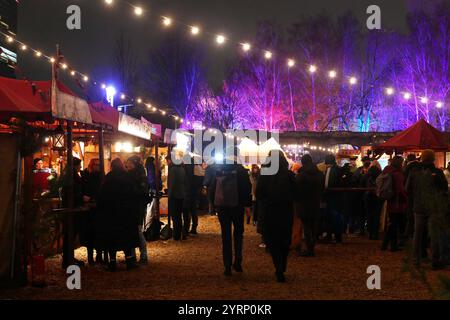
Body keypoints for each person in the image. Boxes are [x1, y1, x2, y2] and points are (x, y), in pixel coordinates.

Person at [211, 150, 252, 277]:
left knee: (226, 235)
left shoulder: (219, 169)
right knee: (238, 234)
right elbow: (247, 188)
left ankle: (227, 265)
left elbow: (212, 188)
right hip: (237, 206)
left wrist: (214, 205)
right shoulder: (241, 171)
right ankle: (238, 262)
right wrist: (247, 205)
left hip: (222, 207)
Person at [257, 151, 296, 282]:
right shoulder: (290, 175)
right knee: (284, 240)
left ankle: (278, 266)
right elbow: (296, 193)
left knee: (273, 241)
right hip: (286, 212)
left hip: (270, 212)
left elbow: (258, 194)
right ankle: (282, 265)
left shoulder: (265, 175)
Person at [96, 158, 140, 271]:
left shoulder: (108, 178)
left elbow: (101, 195)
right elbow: (134, 194)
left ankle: (112, 262)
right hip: (126, 212)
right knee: (127, 237)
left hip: (111, 213)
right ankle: (129, 260)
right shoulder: (127, 177)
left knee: (112, 238)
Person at [408, 150, 449, 269]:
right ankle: (435, 261)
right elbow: (444, 189)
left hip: (418, 207)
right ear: (433, 159)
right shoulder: (438, 172)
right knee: (434, 233)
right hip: (434, 207)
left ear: (422, 158)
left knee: (418, 233)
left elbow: (407, 188)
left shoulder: (414, 172)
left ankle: (416, 260)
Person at [295, 154, 324, 257]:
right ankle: (312, 247)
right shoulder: (320, 174)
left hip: (304, 204)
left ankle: (309, 248)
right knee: (313, 226)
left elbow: (296, 190)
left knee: (306, 226)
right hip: (315, 203)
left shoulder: (301, 175)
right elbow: (322, 189)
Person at [80, 159, 106, 265]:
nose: (98, 167)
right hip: (90, 209)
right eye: (96, 165)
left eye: (99, 165)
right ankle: (91, 257)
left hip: (98, 209)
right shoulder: (86, 177)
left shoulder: (101, 177)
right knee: (90, 234)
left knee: (98, 233)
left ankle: (99, 255)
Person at [126, 156, 150, 264]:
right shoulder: (135, 175)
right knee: (133, 230)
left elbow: (143, 192)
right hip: (133, 206)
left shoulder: (139, 176)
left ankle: (143, 255)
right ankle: (132, 256)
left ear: (134, 164)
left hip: (137, 206)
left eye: (130, 163)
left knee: (137, 231)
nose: (128, 165)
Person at [381, 156, 407, 252]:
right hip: (397, 201)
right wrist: (406, 198)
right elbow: (400, 189)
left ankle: (385, 244)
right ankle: (393, 246)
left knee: (392, 223)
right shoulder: (398, 174)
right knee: (394, 224)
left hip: (390, 200)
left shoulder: (387, 171)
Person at [323, 154, 344, 243]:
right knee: (337, 218)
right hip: (338, 198)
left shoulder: (329, 170)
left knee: (330, 217)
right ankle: (338, 236)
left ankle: (329, 235)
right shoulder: (338, 170)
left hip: (330, 197)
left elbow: (327, 184)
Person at [167, 153, 187, 241]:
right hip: (181, 194)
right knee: (179, 216)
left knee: (175, 216)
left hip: (175, 195)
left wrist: (169, 195)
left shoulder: (173, 170)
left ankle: (176, 235)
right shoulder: (182, 169)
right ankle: (180, 233)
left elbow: (172, 184)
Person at [362, 162, 383, 240]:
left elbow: (362, 183)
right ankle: (375, 233)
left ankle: (370, 233)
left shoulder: (367, 174)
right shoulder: (381, 174)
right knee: (377, 215)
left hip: (368, 196)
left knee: (369, 215)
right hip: (378, 197)